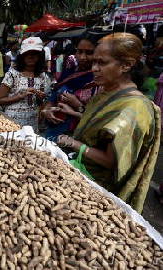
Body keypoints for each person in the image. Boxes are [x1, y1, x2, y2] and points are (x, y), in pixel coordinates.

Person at [57, 33, 161, 213]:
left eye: (102, 63)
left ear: (126, 65)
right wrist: (74, 111)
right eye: (94, 62)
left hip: (97, 190)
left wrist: (75, 144)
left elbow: (111, 161)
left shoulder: (133, 109)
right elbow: (100, 126)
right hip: (78, 175)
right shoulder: (106, 92)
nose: (94, 68)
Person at [43, 33, 100, 141]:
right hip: (54, 131)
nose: (83, 57)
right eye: (80, 51)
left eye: (89, 53)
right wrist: (46, 111)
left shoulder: (100, 80)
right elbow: (53, 97)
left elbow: (99, 120)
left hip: (78, 138)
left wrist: (78, 105)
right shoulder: (69, 72)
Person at [0, 37, 51, 132]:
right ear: (22, 55)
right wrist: (19, 96)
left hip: (32, 124)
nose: (31, 56)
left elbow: (41, 104)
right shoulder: (12, 74)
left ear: (40, 56)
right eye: (27, 53)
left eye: (35, 54)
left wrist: (40, 97)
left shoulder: (43, 76)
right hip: (12, 123)